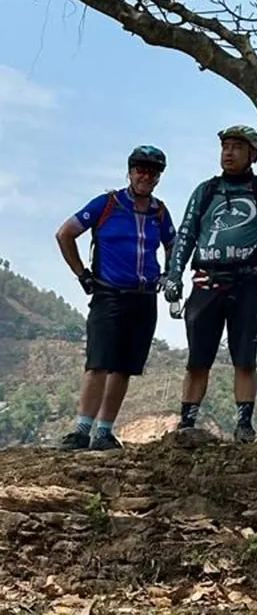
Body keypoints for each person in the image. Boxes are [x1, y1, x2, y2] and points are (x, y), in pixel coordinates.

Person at [163, 125, 257, 443]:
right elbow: (186, 235)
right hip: (206, 282)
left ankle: (244, 424)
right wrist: (174, 276)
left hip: (247, 284)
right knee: (198, 358)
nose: (228, 152)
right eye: (225, 146)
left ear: (253, 154)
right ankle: (187, 421)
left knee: (245, 357)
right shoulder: (206, 190)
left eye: (237, 147)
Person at [54, 146, 175, 451]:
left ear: (158, 177)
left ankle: (104, 432)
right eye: (140, 169)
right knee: (98, 363)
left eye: (152, 171)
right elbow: (65, 233)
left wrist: (170, 274)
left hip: (145, 297)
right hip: (108, 294)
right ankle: (82, 430)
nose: (145, 175)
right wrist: (82, 274)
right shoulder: (107, 204)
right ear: (130, 171)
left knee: (124, 367)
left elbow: (173, 244)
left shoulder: (159, 212)